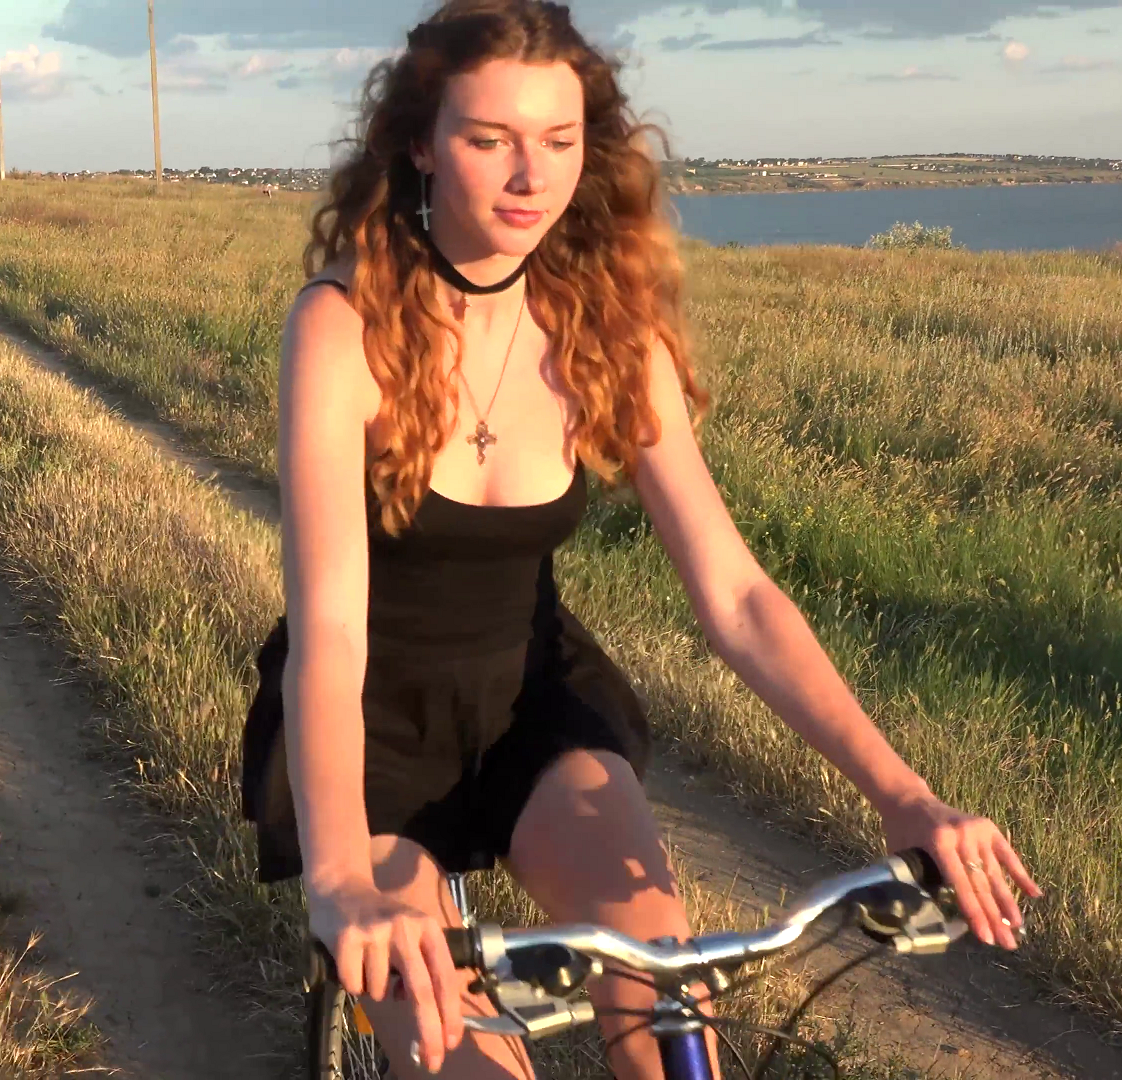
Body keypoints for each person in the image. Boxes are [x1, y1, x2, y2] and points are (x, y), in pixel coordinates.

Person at [240, 2, 1042, 1077]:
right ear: (422, 144)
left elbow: (737, 598)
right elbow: (332, 632)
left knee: (669, 993)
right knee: (457, 1052)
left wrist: (906, 796)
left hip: (529, 703)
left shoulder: (603, 328)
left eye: (558, 141)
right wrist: (340, 873)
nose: (530, 175)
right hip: (370, 725)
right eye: (490, 139)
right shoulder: (343, 329)